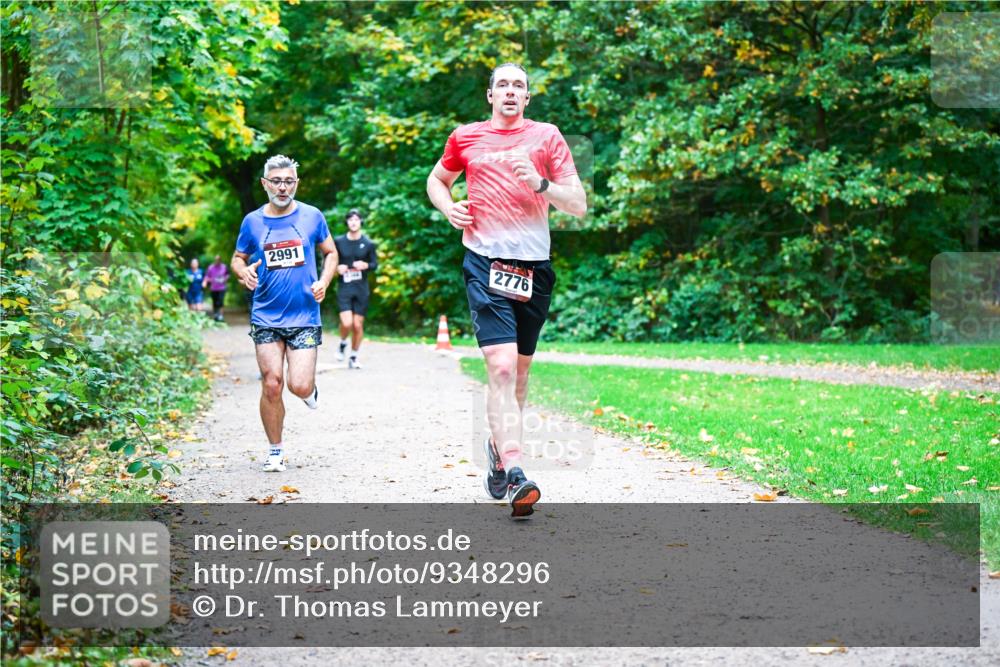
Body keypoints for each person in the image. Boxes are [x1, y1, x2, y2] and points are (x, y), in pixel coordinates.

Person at [426, 62, 587, 517]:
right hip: (484, 261)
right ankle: (517, 471)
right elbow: (437, 180)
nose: (511, 91)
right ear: (490, 95)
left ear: (528, 97)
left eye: (519, 85)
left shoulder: (547, 137)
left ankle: (499, 450)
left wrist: (540, 183)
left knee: (518, 376)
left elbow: (578, 205)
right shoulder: (466, 137)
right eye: (503, 85)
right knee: (499, 367)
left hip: (534, 267)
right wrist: (448, 208)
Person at [231, 155, 338, 473]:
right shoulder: (252, 222)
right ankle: (275, 450)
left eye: (288, 181)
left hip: (304, 314)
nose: (282, 187)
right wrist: (243, 272)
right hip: (265, 313)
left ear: (296, 183)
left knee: (298, 385)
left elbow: (331, 253)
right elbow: (238, 257)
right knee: (272, 383)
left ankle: (309, 391)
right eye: (276, 181)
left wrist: (323, 281)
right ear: (265, 184)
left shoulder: (312, 216)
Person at [334, 208, 378, 369]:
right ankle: (342, 343)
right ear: (347, 222)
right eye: (350, 219)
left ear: (361, 222)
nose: (353, 222)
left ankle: (353, 356)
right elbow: (330, 260)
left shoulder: (368, 243)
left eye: (356, 219)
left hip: (361, 288)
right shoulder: (339, 241)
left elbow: (374, 264)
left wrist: (365, 265)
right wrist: (337, 268)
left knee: (358, 325)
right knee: (347, 323)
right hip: (345, 287)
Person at [203, 255, 230, 322]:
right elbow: (207, 276)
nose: (217, 261)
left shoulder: (224, 267)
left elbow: (228, 275)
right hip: (213, 288)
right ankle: (215, 314)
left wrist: (225, 279)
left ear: (220, 260)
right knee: (215, 302)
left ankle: (221, 315)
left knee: (220, 301)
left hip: (222, 288)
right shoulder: (210, 267)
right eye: (216, 260)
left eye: (218, 260)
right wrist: (207, 281)